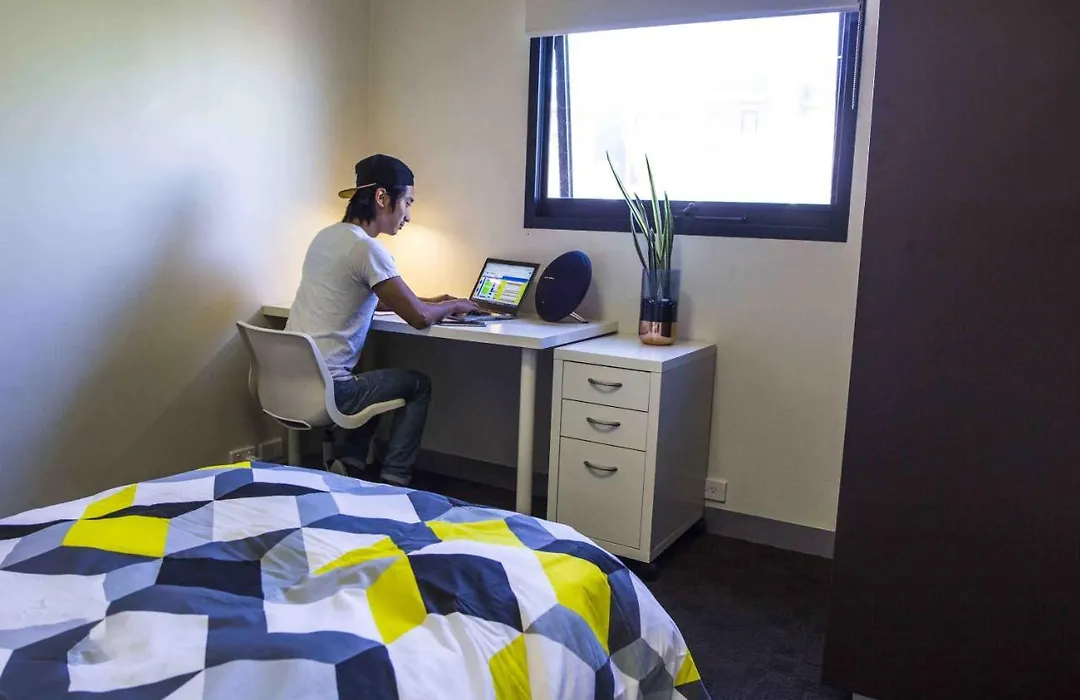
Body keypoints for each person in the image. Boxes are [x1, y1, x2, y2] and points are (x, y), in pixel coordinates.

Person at [285, 154, 477, 485]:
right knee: (417, 385)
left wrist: (433, 301)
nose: (408, 215)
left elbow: (370, 297)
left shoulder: (325, 238)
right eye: (408, 202)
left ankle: (349, 464)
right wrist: (454, 305)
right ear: (382, 197)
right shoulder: (366, 250)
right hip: (332, 389)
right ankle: (394, 481)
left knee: (374, 382)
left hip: (290, 381)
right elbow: (418, 318)